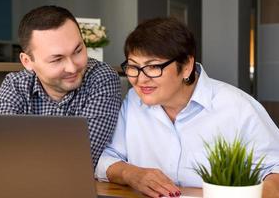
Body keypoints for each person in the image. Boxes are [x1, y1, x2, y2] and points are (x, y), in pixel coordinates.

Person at [95, 17, 279, 198]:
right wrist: (132, 174)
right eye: (133, 67)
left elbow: (275, 169)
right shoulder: (133, 101)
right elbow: (107, 158)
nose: (140, 79)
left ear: (186, 66)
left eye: (153, 67)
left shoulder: (238, 107)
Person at [0, 5, 122, 168]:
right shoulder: (15, 85)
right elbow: (3, 153)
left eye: (78, 51)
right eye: (56, 59)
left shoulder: (102, 78)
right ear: (27, 62)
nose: (72, 67)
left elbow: (81, 158)